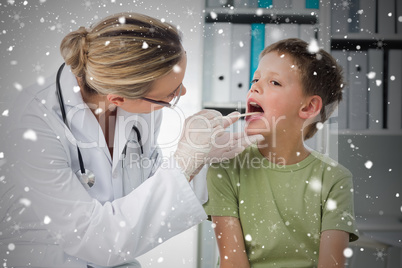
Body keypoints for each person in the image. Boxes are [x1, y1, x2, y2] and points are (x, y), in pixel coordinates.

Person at [0, 12, 263, 268]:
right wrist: (185, 161)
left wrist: (201, 162)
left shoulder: (143, 108)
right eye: (172, 93)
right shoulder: (32, 124)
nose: (183, 91)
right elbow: (96, 241)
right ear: (118, 98)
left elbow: (147, 188)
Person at [203, 38, 359, 268]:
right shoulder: (225, 168)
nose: (254, 87)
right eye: (255, 79)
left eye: (274, 82)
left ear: (308, 107)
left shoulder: (335, 179)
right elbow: (233, 263)